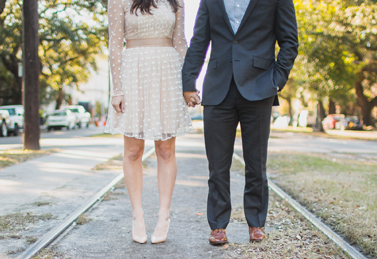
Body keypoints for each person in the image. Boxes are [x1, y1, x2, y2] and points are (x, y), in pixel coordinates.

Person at [181, 0, 298, 245]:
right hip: (217, 88)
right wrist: (189, 81)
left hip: (260, 87)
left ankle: (256, 222)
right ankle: (218, 226)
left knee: (256, 163)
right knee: (217, 165)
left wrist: (276, 79)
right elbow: (199, 40)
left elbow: (289, 41)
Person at [105, 0, 193, 244]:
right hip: (133, 71)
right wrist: (117, 89)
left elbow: (180, 42)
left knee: (165, 149)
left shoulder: (176, 1)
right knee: (133, 150)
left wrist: (190, 84)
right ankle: (137, 215)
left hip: (168, 71)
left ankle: (164, 215)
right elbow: (115, 43)